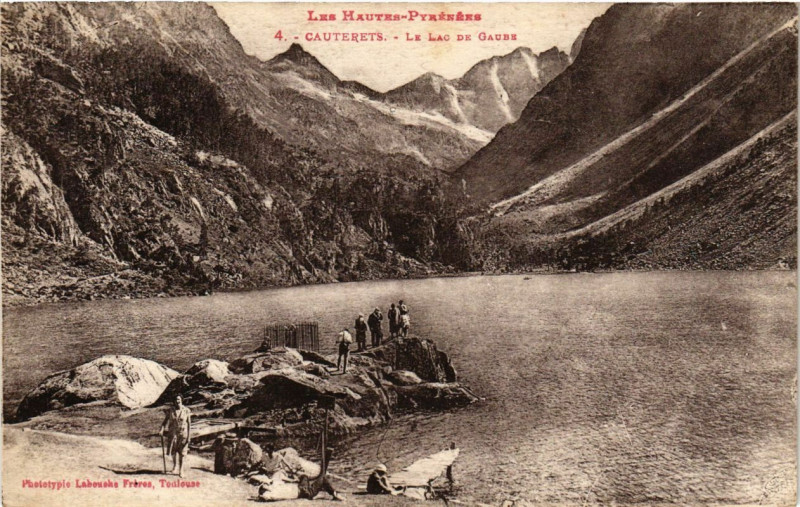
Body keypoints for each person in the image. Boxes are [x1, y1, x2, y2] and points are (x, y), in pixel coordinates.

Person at [160, 395, 192, 477]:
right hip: (173, 434)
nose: (177, 401)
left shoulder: (186, 410)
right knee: (173, 452)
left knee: (182, 453)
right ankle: (175, 467)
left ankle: (181, 470)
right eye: (175, 399)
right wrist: (162, 429)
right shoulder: (171, 410)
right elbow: (165, 422)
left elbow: (189, 424)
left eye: (178, 399)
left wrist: (189, 437)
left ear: (181, 400)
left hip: (183, 434)